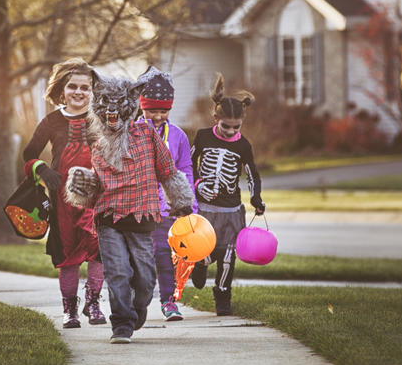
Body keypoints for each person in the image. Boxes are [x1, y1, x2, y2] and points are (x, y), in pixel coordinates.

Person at [64, 70, 195, 344]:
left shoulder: (146, 134)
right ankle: (121, 325)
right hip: (109, 219)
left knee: (146, 280)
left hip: (142, 217)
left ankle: (137, 309)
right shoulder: (98, 143)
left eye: (117, 107)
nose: (112, 114)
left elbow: (167, 170)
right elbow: (97, 185)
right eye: (106, 108)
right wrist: (82, 184)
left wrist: (182, 202)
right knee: (118, 272)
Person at [22, 57, 106, 329]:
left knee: (98, 250)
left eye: (85, 87)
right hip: (62, 199)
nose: (79, 92)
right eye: (73, 87)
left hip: (96, 196)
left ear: (93, 91)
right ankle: (69, 309)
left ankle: (93, 303)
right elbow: (28, 154)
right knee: (66, 253)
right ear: (62, 89)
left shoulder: (101, 118)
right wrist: (42, 170)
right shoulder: (51, 121)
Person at [190, 73, 265, 316]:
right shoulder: (202, 136)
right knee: (206, 249)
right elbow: (188, 165)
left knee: (228, 255)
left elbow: (252, 173)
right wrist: (197, 185)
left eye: (236, 127)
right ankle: (199, 264)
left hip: (231, 210)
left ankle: (222, 295)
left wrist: (256, 199)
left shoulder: (243, 145)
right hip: (205, 208)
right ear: (215, 118)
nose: (231, 131)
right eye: (226, 126)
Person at [136, 67, 197, 322]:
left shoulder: (179, 136)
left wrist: (187, 204)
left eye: (163, 110)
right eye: (152, 110)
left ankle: (168, 302)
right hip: (137, 208)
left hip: (166, 210)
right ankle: (136, 303)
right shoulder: (132, 131)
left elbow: (185, 170)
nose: (158, 116)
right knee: (139, 260)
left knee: (164, 256)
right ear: (141, 107)